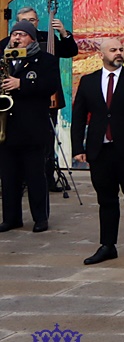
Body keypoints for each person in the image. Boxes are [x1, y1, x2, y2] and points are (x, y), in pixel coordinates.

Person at [70, 37, 124, 264]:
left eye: (121, 49)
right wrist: (78, 147)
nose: (118, 53)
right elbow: (78, 117)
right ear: (102, 54)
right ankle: (107, 245)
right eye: (113, 50)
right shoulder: (88, 81)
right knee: (106, 200)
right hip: (100, 151)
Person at [0, 21, 62, 233]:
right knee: (8, 177)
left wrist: (21, 84)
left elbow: (50, 85)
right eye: (14, 34)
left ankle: (40, 218)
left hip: (32, 128)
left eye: (21, 35)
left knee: (36, 175)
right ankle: (11, 218)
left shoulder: (46, 60)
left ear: (32, 39)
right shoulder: (3, 59)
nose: (16, 38)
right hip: (7, 128)